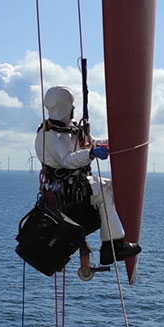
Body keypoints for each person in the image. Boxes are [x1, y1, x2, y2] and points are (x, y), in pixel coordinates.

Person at [35, 85, 141, 269]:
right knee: (104, 189)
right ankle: (111, 246)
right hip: (65, 189)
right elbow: (67, 160)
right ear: (67, 107)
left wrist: (114, 141)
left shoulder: (70, 130)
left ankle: (112, 244)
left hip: (74, 184)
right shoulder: (49, 135)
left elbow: (90, 143)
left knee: (108, 187)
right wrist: (91, 153)